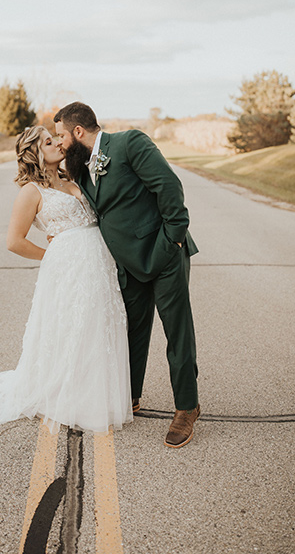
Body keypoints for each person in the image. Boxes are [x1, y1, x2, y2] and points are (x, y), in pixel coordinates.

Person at [0, 125, 133, 434]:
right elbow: (14, 241)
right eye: (49, 141)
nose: (58, 144)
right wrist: (54, 256)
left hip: (99, 264)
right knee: (71, 327)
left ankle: (97, 392)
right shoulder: (30, 192)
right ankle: (66, 396)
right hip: (67, 269)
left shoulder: (72, 178)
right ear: (35, 152)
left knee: (98, 325)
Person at [54, 102, 199, 448]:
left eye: (61, 136)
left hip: (164, 255)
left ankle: (187, 407)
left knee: (176, 332)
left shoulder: (130, 143)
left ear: (78, 132)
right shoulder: (79, 167)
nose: (59, 144)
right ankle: (129, 396)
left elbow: (169, 187)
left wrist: (174, 240)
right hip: (127, 264)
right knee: (131, 331)